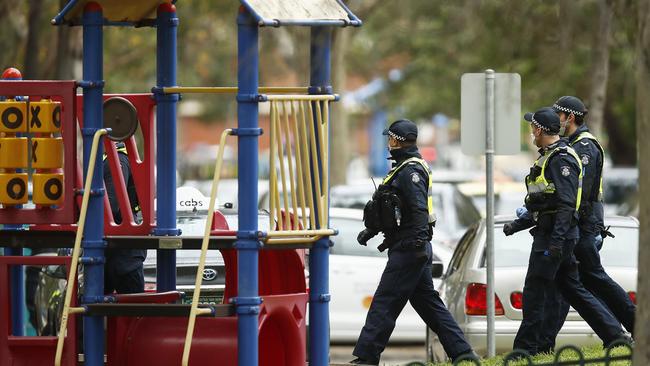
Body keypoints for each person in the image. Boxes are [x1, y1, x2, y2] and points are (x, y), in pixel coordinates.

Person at [350, 119, 476, 365]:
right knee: (428, 304)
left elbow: (418, 210)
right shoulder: (404, 167)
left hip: (410, 248)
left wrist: (417, 243)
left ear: (396, 140)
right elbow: (395, 208)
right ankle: (463, 353)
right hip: (409, 245)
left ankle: (366, 357)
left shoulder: (411, 171)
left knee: (385, 301)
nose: (388, 143)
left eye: (390, 138)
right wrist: (371, 230)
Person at [503, 107, 627, 355]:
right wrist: (517, 225)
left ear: (539, 129)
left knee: (535, 290)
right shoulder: (550, 156)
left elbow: (566, 204)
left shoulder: (562, 159)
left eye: (532, 127)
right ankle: (615, 336)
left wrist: (556, 243)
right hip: (553, 235)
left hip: (555, 238)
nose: (531, 132)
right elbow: (546, 202)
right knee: (573, 289)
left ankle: (525, 350)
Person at [538, 96, 636, 349]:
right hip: (578, 225)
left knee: (590, 279)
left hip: (583, 226)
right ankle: (615, 334)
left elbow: (580, 193)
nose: (556, 120)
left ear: (569, 117)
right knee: (571, 284)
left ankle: (630, 329)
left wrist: (569, 224)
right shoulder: (572, 144)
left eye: (558, 115)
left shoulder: (585, 147)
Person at [103, 142, 146, 294]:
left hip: (123, 256)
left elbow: (112, 205)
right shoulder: (115, 158)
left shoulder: (117, 160)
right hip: (114, 252)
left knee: (133, 313)